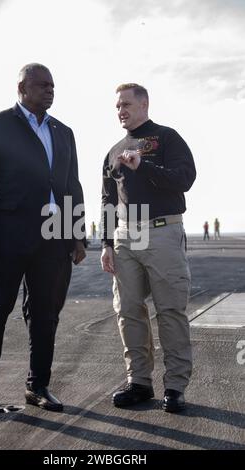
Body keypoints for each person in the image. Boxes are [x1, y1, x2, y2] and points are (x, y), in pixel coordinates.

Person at [0, 63, 86, 420]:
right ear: (22, 87)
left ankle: (38, 386)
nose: (50, 90)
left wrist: (77, 236)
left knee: (46, 314)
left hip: (53, 238)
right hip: (7, 236)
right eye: (42, 85)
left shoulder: (63, 132)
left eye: (53, 85)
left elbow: (72, 186)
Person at [101, 83, 196, 412]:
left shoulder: (167, 138)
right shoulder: (113, 151)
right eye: (117, 106)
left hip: (163, 231)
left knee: (169, 310)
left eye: (126, 104)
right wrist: (107, 243)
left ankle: (175, 386)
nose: (120, 110)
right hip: (126, 237)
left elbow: (185, 179)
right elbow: (108, 200)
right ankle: (139, 382)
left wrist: (144, 165)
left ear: (144, 104)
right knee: (128, 311)